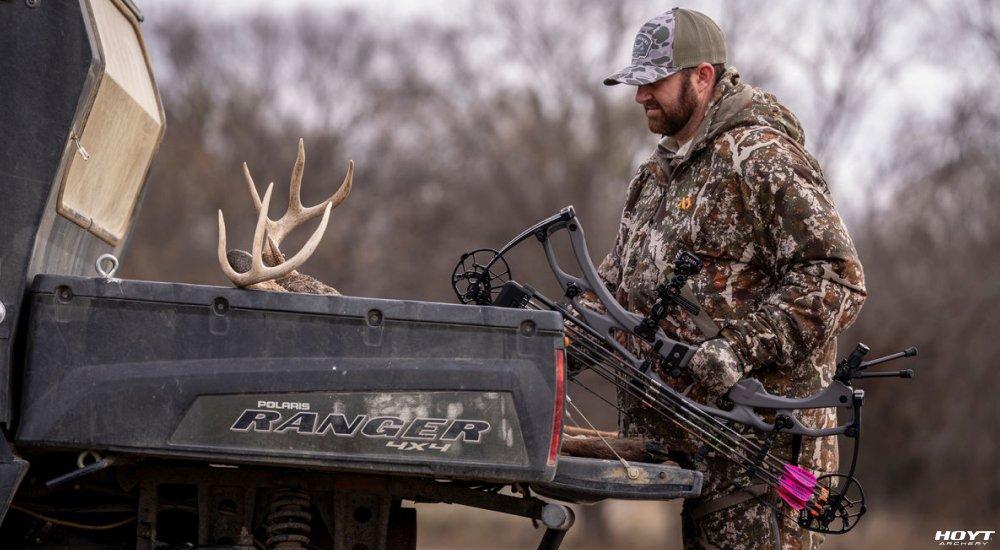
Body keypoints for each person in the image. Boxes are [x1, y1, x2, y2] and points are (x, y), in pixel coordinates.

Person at [600, 8, 866, 549]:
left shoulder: (761, 158)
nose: (640, 96)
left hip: (763, 464)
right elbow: (615, 285)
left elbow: (838, 278)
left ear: (702, 76)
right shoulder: (656, 178)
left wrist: (736, 350)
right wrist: (540, 334)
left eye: (654, 81)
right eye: (638, 82)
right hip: (699, 452)